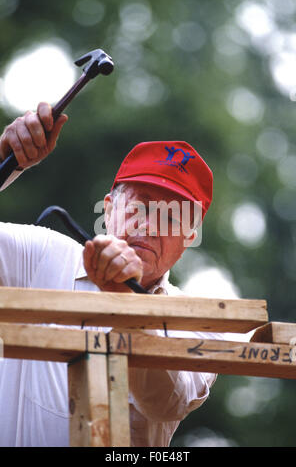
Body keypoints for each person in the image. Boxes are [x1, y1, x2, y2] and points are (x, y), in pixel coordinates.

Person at [0, 103, 221, 447]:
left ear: (189, 237)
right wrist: (4, 165)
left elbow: (167, 402)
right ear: (109, 208)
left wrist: (123, 302)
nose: (148, 225)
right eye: (139, 206)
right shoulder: (41, 256)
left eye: (170, 217)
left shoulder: (199, 320)